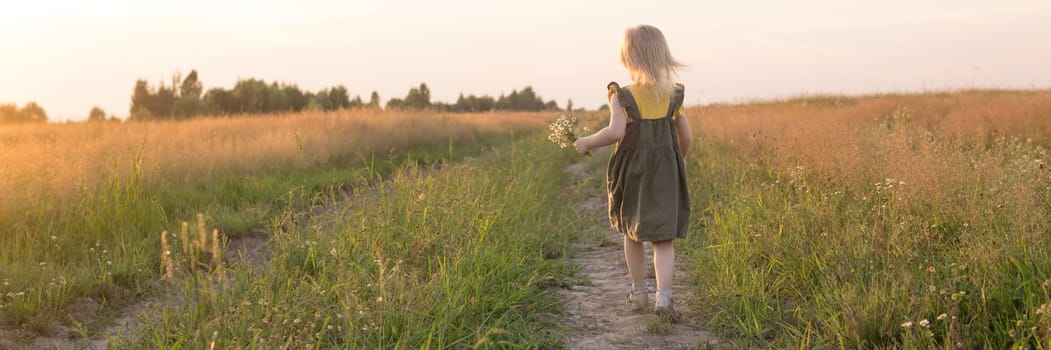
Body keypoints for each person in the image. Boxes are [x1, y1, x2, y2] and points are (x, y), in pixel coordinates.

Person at [573, 24, 692, 322]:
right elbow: (686, 136)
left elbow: (615, 132)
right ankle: (663, 297)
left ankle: (638, 291)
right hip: (666, 171)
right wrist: (680, 159)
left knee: (632, 231)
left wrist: (587, 141)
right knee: (664, 238)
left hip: (633, 173)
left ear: (628, 58)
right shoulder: (672, 95)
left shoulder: (622, 96)